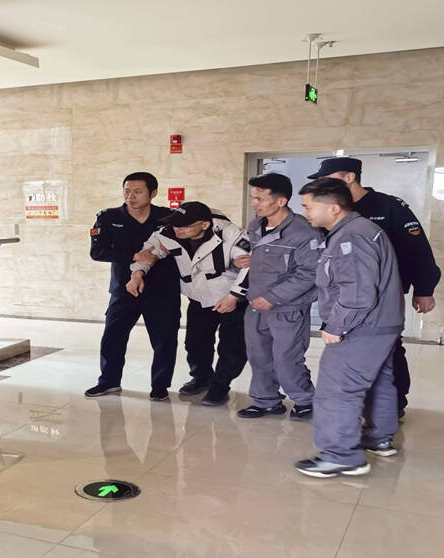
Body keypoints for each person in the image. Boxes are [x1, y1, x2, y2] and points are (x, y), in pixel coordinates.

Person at [307, 157, 440, 419]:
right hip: (344, 295)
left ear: (350, 177)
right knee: (348, 349)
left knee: (388, 350)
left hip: (383, 295)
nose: (322, 185)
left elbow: (417, 250)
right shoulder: (330, 209)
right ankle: (360, 405)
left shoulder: (389, 207)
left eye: (327, 178)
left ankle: (393, 406)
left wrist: (424, 289)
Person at [295, 177, 404, 477]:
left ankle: (340, 455)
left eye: (308, 206)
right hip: (380, 323)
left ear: (333, 208)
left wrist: (336, 326)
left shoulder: (351, 237)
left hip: (360, 326)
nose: (304, 212)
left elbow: (357, 293)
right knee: (379, 381)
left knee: (337, 389)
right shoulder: (359, 230)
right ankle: (378, 438)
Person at [127, 201, 250, 406]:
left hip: (230, 298)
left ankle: (220, 386)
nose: (178, 229)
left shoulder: (232, 234)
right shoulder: (169, 233)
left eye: (184, 225)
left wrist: (234, 297)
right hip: (199, 298)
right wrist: (137, 273)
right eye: (175, 224)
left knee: (232, 347)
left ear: (204, 225)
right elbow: (148, 252)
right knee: (195, 343)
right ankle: (202, 378)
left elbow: (250, 266)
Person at [235, 173, 322, 421]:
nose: (254, 203)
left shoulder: (304, 232)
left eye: (260, 199)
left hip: (288, 308)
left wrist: (273, 297)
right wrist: (246, 261)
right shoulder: (256, 225)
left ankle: (305, 400)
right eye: (253, 198)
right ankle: (266, 401)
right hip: (256, 304)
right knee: (259, 356)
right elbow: (266, 258)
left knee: (287, 359)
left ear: (281, 201)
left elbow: (310, 273)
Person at [86, 172, 180, 401]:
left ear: (153, 193)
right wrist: (135, 255)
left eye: (138, 192)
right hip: (124, 288)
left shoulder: (168, 217)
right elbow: (97, 252)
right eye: (127, 191)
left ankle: (160, 386)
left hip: (162, 289)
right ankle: (108, 381)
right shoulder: (108, 217)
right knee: (113, 336)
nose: (131, 196)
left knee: (165, 339)